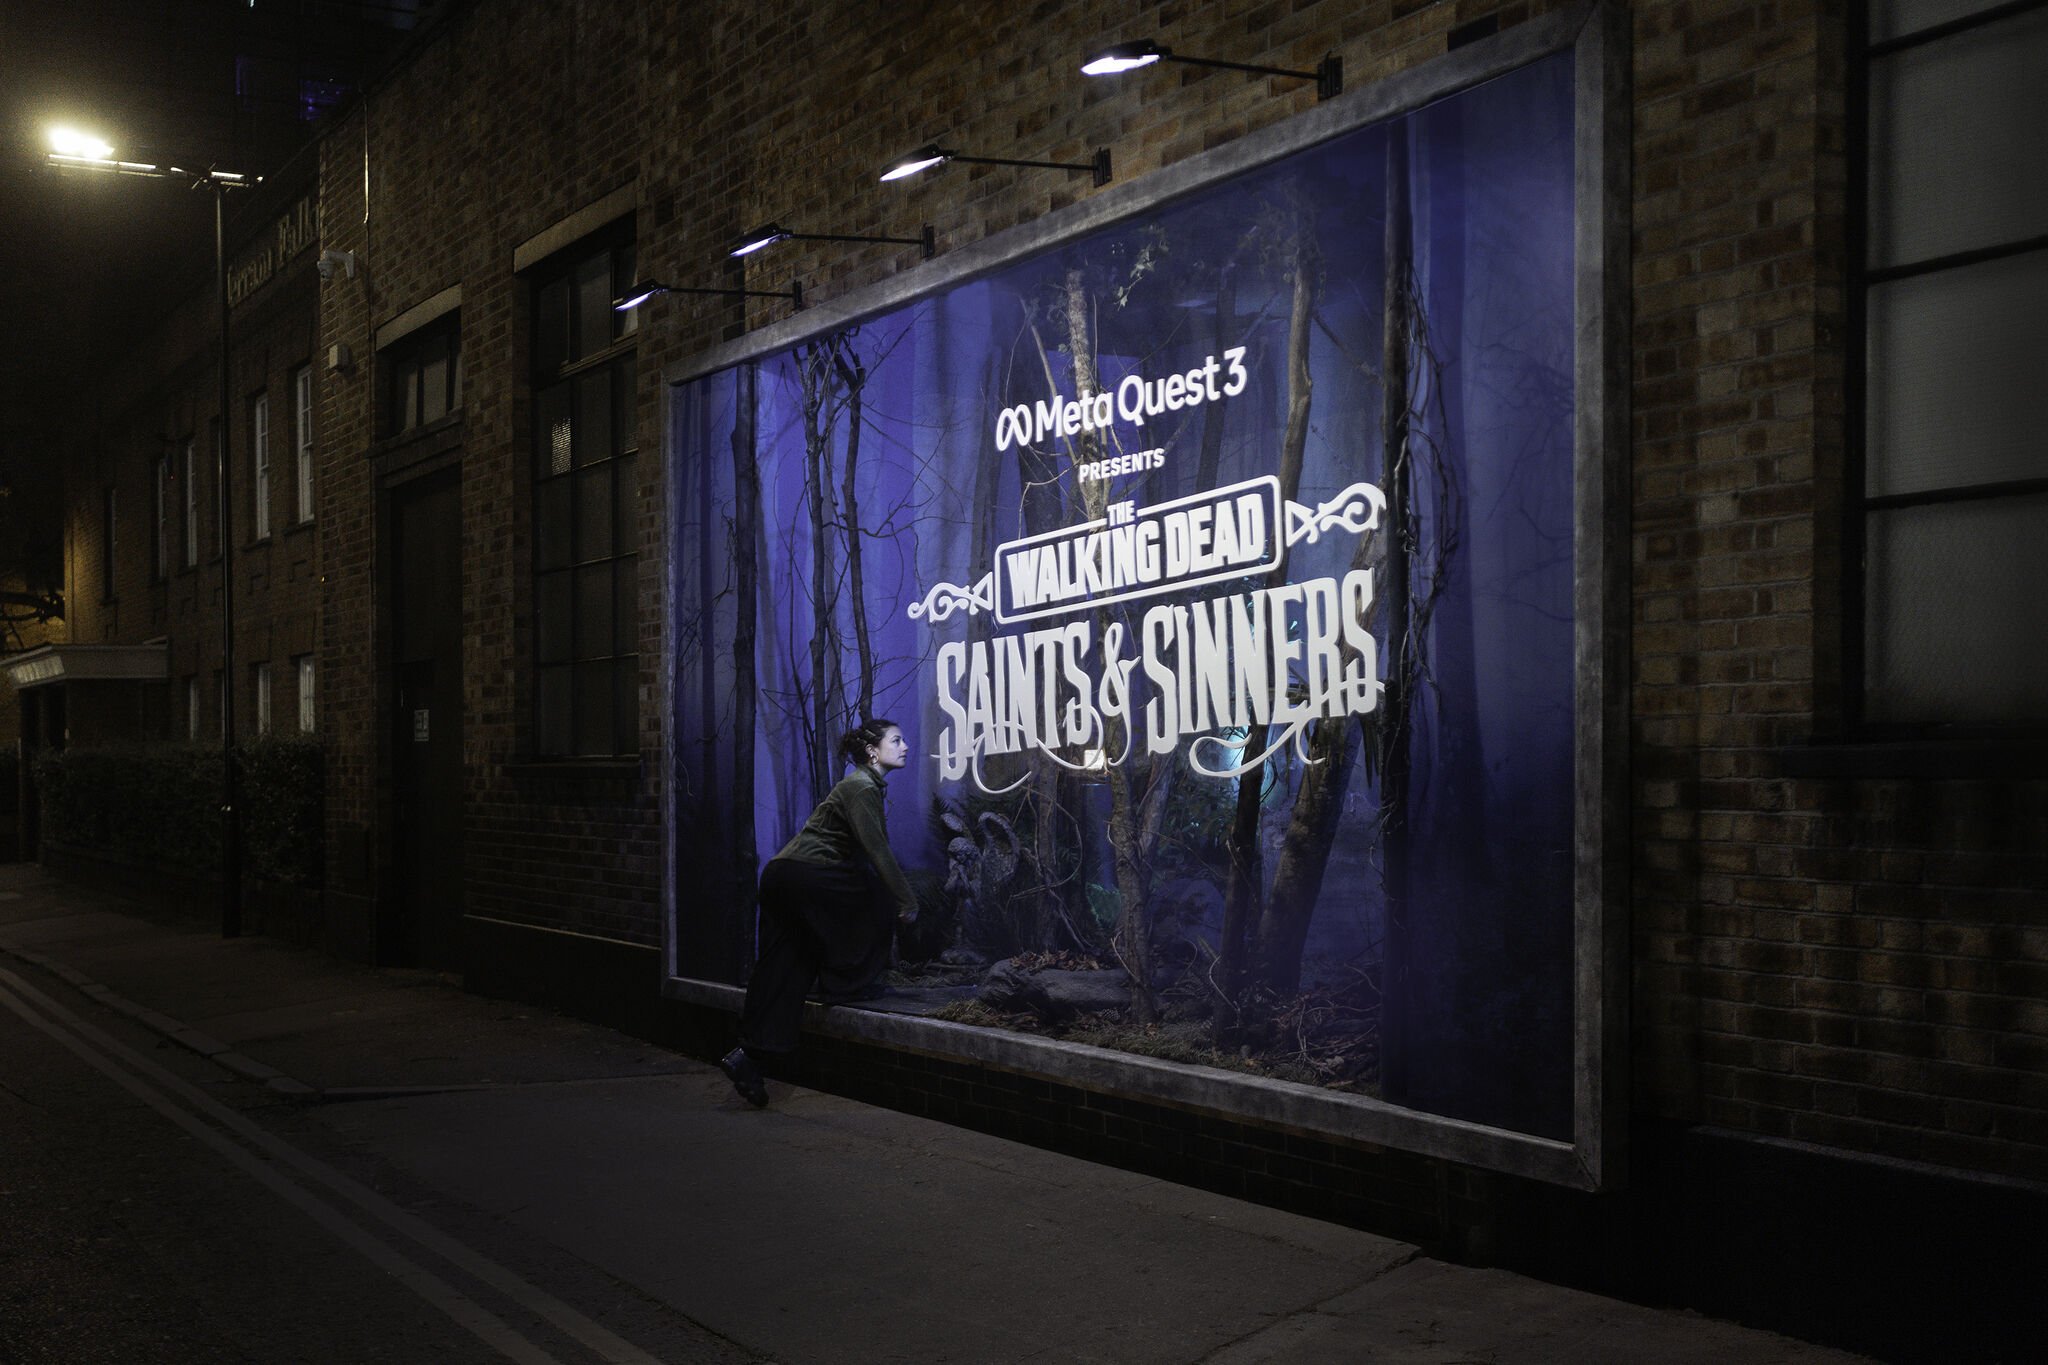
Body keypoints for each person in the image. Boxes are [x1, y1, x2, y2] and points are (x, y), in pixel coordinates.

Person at [719, 718, 917, 1107]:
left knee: (786, 965)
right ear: (873, 752)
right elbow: (877, 852)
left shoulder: (861, 786)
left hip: (781, 876)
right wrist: (907, 901)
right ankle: (848, 982)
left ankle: (748, 1056)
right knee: (874, 894)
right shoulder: (861, 787)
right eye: (897, 739)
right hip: (805, 877)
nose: (905, 745)